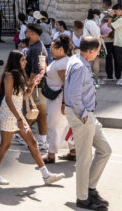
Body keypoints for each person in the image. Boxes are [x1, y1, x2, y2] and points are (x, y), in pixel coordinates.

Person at [0, 50, 65, 186]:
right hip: (9, 114)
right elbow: (8, 98)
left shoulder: (19, 75)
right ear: (16, 61)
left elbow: (25, 95)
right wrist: (18, 118)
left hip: (17, 114)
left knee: (33, 143)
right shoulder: (9, 76)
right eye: (23, 59)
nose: (26, 62)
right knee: (5, 145)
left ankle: (46, 175)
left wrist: (34, 83)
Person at [64, 36, 112, 209]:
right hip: (82, 115)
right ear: (91, 51)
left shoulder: (76, 59)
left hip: (87, 114)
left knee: (105, 150)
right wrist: (84, 114)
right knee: (84, 159)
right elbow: (74, 95)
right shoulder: (80, 67)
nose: (98, 54)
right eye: (98, 51)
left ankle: (90, 188)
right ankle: (82, 198)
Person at [43, 35, 74, 164]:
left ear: (61, 49)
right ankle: (73, 151)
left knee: (54, 125)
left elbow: (67, 83)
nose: (51, 50)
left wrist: (63, 103)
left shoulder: (63, 63)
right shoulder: (60, 61)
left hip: (58, 98)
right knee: (66, 125)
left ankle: (51, 154)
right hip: (57, 97)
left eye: (53, 48)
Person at [22, 23, 49, 151]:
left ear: (32, 33)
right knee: (32, 112)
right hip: (35, 86)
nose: (25, 34)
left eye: (26, 32)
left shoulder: (37, 48)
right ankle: (22, 133)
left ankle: (42, 140)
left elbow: (36, 70)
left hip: (37, 87)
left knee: (40, 113)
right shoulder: (35, 46)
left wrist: (30, 87)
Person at [109, 5, 122, 86]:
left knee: (121, 63)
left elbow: (109, 25)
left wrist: (110, 16)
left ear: (120, 10)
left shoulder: (121, 19)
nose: (115, 13)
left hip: (120, 44)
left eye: (116, 11)